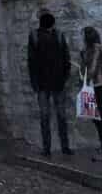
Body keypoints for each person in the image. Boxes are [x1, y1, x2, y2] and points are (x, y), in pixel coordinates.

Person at [27, 11, 72, 157]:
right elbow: (32, 61)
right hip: (46, 83)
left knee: (55, 116)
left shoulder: (56, 35)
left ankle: (56, 148)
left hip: (52, 83)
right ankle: (53, 148)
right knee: (51, 117)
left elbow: (66, 58)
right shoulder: (37, 36)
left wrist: (64, 77)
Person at [79, 26, 102, 159]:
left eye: (84, 36)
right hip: (94, 88)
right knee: (97, 119)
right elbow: (84, 70)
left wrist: (84, 74)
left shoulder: (96, 48)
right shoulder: (87, 50)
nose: (82, 39)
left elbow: (92, 70)